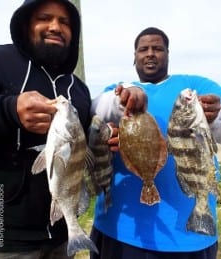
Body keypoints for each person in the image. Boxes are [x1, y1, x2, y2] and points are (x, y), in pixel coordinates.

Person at [0, 0, 146, 258]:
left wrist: (109, 138)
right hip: (6, 236)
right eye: (45, 17)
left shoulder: (78, 88)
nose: (55, 26)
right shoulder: (0, 60)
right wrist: (9, 109)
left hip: (64, 236)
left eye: (64, 22)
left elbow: (84, 147)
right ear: (26, 23)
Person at [90, 27, 221, 259]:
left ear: (168, 54)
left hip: (191, 237)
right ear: (134, 57)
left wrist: (214, 118)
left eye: (158, 48)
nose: (150, 53)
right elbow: (97, 111)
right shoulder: (116, 91)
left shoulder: (197, 86)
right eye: (143, 49)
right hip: (119, 230)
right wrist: (124, 100)